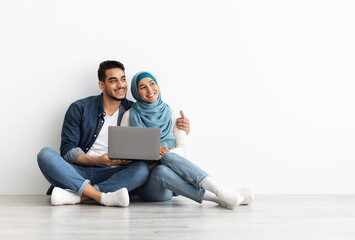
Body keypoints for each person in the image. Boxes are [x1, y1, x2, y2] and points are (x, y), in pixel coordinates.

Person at [36, 60, 191, 207]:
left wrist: (182, 128)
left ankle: (80, 195)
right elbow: (68, 151)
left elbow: (159, 130)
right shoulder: (79, 108)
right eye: (113, 80)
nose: (121, 85)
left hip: (116, 173)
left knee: (141, 170)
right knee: (45, 155)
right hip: (78, 171)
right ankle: (101, 196)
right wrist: (98, 160)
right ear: (101, 85)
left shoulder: (134, 112)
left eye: (123, 79)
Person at [120, 71, 254, 209]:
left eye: (152, 84)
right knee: (161, 171)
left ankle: (222, 194)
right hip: (150, 187)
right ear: (136, 92)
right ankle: (219, 196)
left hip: (174, 180)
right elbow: (122, 152)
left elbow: (183, 148)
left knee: (167, 160)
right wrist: (151, 150)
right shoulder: (129, 116)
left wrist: (164, 156)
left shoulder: (173, 113)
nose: (150, 90)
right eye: (142, 87)